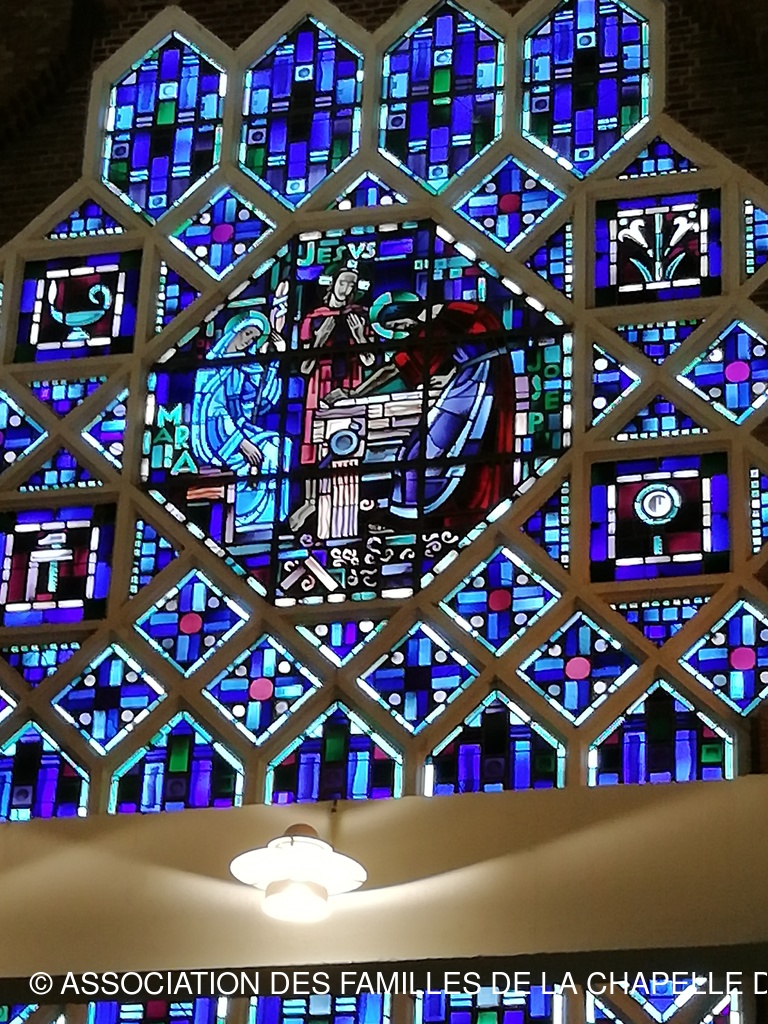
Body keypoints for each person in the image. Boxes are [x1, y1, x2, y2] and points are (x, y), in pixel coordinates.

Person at [290, 265, 375, 531]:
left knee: (352, 440)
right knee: (313, 442)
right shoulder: (313, 318)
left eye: (352, 285)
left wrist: (359, 336)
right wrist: (320, 339)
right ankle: (310, 501)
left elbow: (369, 360)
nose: (347, 289)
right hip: (320, 382)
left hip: (351, 382)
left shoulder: (360, 316)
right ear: (332, 284)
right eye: (343, 282)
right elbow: (304, 367)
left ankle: (353, 500)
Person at [191, 313, 291, 530]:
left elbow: (258, 403)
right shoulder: (211, 368)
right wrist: (241, 442)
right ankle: (245, 516)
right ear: (234, 332)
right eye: (247, 334)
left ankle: (270, 516)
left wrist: (275, 361)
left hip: (238, 428)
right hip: (216, 436)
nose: (248, 341)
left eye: (254, 338)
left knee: (280, 444)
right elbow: (214, 411)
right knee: (264, 453)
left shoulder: (243, 366)